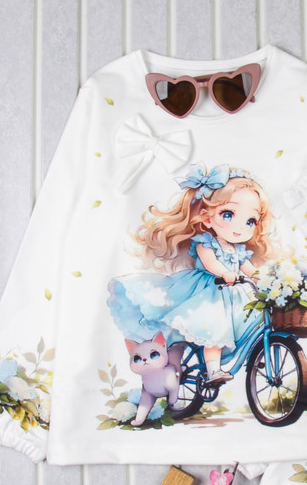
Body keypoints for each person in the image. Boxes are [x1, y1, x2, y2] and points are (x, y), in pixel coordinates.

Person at [108, 163, 280, 384]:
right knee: (216, 329)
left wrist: (267, 279)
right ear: (207, 218)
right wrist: (225, 272)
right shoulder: (205, 242)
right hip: (209, 293)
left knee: (254, 319)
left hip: (232, 295)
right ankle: (213, 370)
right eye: (228, 214)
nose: (240, 227)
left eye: (250, 221)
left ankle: (255, 354)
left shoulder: (238, 250)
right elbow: (210, 263)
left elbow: (249, 269)